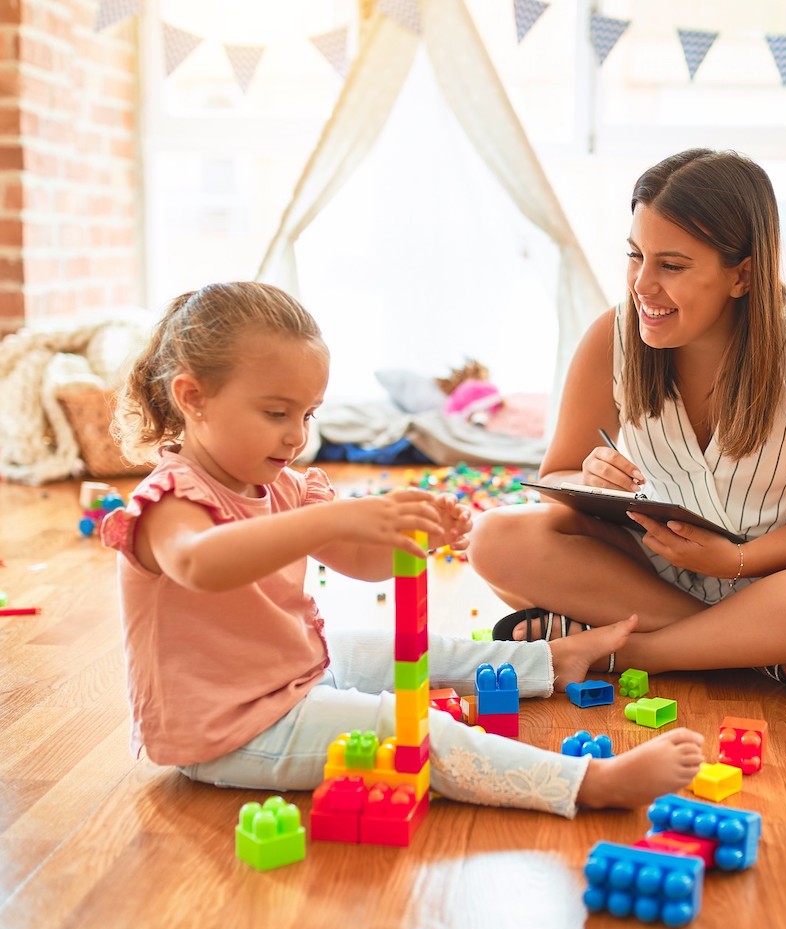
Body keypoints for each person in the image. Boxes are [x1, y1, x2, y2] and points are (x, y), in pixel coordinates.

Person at [101, 280, 704, 818]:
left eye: (308, 413)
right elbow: (200, 563)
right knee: (413, 729)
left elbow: (357, 563)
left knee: (387, 648)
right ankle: (586, 784)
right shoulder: (168, 502)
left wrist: (413, 541)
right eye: (276, 412)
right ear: (193, 397)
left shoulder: (279, 486)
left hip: (289, 679)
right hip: (228, 731)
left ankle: (551, 662)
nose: (296, 435)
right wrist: (337, 515)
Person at [468, 148, 786, 695]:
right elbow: (559, 481)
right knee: (496, 537)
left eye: (671, 265)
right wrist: (588, 477)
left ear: (742, 274)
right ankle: (762, 652)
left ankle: (631, 651)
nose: (642, 284)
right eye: (636, 255)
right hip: (650, 576)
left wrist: (739, 559)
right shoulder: (610, 337)